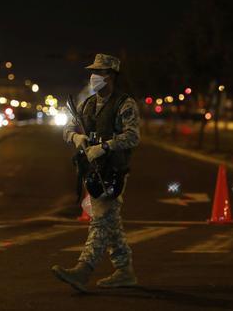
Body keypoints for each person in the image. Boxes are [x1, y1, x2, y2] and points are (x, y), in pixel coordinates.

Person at [52, 53, 140, 292]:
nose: (94, 77)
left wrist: (104, 147)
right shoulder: (88, 104)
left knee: (101, 220)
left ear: (110, 75)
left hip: (114, 171)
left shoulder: (124, 104)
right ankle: (124, 271)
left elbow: (133, 136)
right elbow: (68, 127)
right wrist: (75, 136)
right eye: (93, 72)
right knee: (110, 220)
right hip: (93, 171)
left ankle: (83, 270)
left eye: (99, 72)